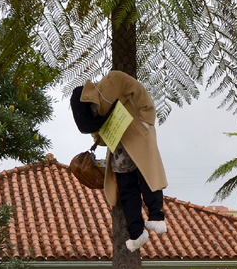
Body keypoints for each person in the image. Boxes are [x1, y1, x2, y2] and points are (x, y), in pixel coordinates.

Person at [69, 71, 169, 252]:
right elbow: (98, 133)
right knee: (127, 192)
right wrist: (99, 137)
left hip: (137, 140)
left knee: (148, 177)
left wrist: (147, 117)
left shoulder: (113, 80)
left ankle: (156, 216)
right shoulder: (90, 114)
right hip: (118, 153)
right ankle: (137, 232)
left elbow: (138, 90)